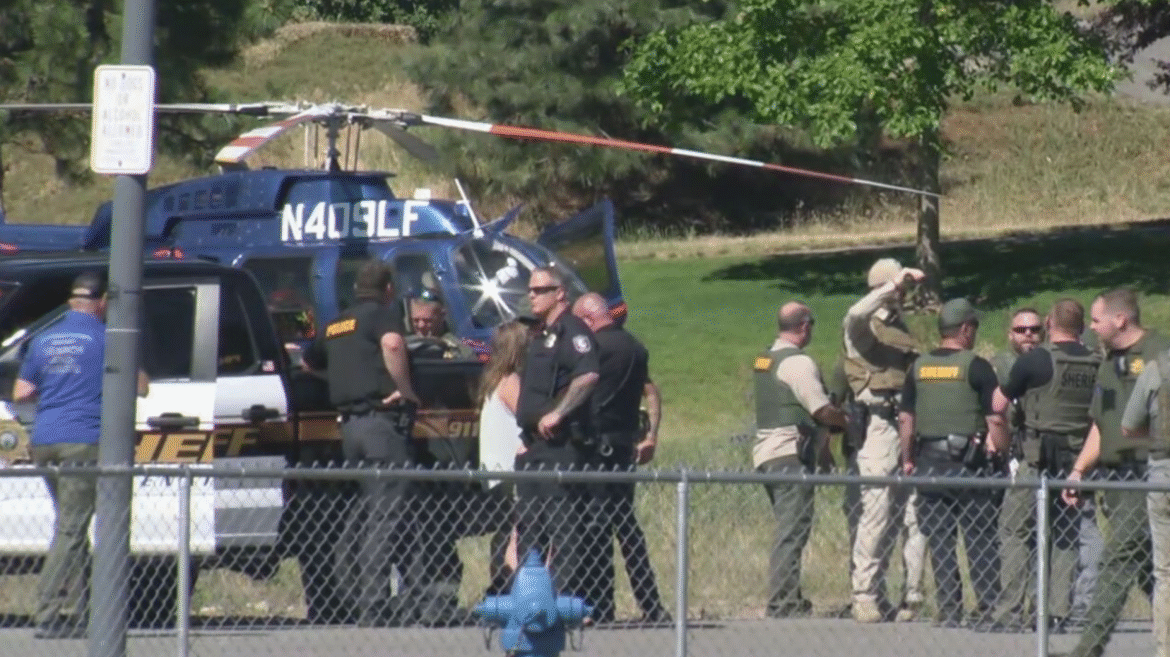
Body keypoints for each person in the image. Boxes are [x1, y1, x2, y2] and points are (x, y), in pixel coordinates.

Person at [306, 259, 425, 627]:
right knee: (385, 518)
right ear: (388, 289)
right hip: (380, 427)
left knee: (385, 514)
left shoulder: (336, 324)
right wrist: (404, 389)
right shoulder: (381, 315)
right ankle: (374, 604)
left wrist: (343, 379)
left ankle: (417, 598)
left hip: (351, 430)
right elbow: (392, 343)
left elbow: (309, 363)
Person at [1060, 288, 1164, 657]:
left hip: (1151, 472)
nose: (1090, 326)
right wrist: (1078, 470)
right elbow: (1100, 424)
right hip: (1116, 478)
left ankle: (1088, 648)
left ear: (1120, 319)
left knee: (1119, 557)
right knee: (1148, 567)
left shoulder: (1160, 354)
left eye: (1096, 319)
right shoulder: (1107, 362)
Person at [982, 299, 1097, 632]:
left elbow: (998, 404)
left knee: (1014, 529)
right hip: (1077, 461)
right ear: (1082, 327)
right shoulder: (1097, 363)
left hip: (1037, 459)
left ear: (1049, 324)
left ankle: (1010, 610)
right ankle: (1056, 612)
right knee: (1065, 535)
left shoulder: (1035, 360)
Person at [12, 272, 109, 639]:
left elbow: (21, 392)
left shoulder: (44, 338)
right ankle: (48, 612)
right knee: (71, 527)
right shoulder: (107, 338)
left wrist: (56, 391)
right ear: (102, 302)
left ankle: (86, 612)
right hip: (82, 441)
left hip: (45, 440)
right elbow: (140, 386)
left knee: (72, 525)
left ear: (71, 301)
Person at [899, 298, 1006, 628]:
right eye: (975, 327)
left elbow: (906, 419)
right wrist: (1001, 451)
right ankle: (989, 607)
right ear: (965, 329)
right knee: (980, 537)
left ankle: (949, 609)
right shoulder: (977, 366)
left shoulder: (918, 367)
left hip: (929, 462)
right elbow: (996, 418)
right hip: (970, 464)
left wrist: (907, 459)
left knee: (940, 539)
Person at [572, 292, 669, 624]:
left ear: (588, 319)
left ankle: (601, 605)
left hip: (596, 448)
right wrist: (651, 434)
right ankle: (650, 604)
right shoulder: (635, 347)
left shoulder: (593, 349)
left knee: (596, 526)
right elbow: (651, 391)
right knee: (627, 526)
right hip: (624, 447)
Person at [841, 258, 928, 623]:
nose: (904, 294)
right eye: (898, 288)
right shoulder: (862, 327)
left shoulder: (900, 329)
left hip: (908, 425)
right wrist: (893, 285)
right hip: (878, 426)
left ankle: (912, 594)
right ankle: (865, 594)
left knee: (913, 514)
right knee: (876, 512)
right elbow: (854, 315)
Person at [754, 301, 847, 618]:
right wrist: (847, 423)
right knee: (793, 530)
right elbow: (821, 409)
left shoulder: (765, 358)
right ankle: (783, 602)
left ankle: (789, 597)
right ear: (805, 326)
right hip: (790, 453)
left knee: (787, 528)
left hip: (766, 452)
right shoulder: (798, 363)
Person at [514, 266, 600, 597]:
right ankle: (528, 599)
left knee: (563, 526)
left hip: (560, 447)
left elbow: (588, 375)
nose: (532, 295)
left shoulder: (572, 331)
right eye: (530, 290)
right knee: (530, 528)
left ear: (559, 293)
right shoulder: (541, 334)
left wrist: (558, 413)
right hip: (534, 448)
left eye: (539, 290)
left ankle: (559, 600)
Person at [1119, 336, 1170, 657]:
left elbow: (1128, 426)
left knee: (1165, 571)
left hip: (1163, 472)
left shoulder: (1156, 370)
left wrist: (1155, 437)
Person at [476, 320, 528, 595]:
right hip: (511, 467)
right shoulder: (510, 382)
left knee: (509, 528)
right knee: (519, 531)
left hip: (496, 467)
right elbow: (529, 417)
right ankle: (511, 585)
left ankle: (501, 584)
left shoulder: (493, 380)